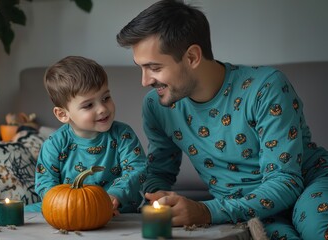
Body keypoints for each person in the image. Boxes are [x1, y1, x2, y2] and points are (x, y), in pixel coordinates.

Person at [116, 0, 328, 239]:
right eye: (140, 68)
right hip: (244, 211)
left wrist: (205, 211)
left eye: (154, 67)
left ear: (193, 57)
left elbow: (285, 180)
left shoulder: (266, 87)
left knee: (317, 229)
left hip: (309, 186)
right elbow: (158, 173)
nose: (145, 81)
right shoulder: (157, 105)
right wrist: (158, 199)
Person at [30, 56, 147, 215]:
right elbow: (45, 183)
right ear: (63, 114)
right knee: (25, 213)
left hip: (116, 207)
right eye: (89, 105)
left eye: (106, 98)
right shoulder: (54, 144)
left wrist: (114, 195)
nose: (102, 109)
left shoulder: (123, 135)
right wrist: (61, 205)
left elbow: (137, 169)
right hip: (71, 209)